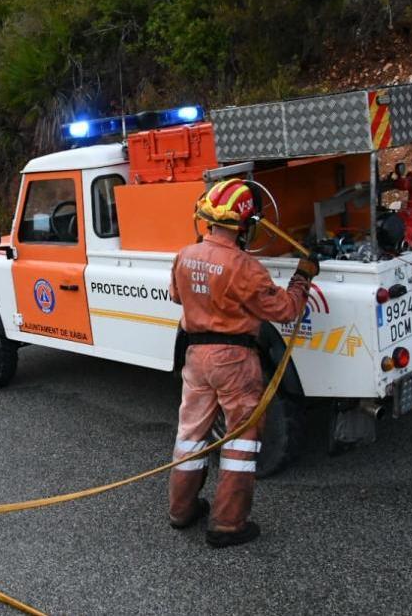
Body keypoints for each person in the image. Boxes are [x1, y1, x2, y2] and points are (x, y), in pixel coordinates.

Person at [166, 178, 318, 548]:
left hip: (196, 358)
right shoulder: (243, 266)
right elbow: (284, 309)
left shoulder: (185, 255)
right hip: (234, 360)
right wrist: (303, 277)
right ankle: (228, 525)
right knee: (240, 443)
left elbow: (175, 296)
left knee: (190, 437)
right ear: (246, 224)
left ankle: (181, 511)